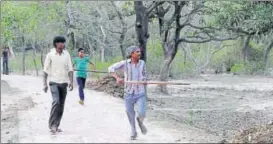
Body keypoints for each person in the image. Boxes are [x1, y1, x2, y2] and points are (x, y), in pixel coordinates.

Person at [108, 45, 148, 140]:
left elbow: (145, 74)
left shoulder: (142, 63)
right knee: (130, 114)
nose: (139, 53)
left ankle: (140, 121)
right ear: (131, 54)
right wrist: (117, 78)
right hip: (128, 93)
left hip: (140, 93)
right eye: (137, 52)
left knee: (142, 113)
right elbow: (110, 68)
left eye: (139, 51)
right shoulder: (125, 63)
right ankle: (133, 131)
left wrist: (145, 80)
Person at [43, 36, 74, 135]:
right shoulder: (50, 55)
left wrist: (71, 82)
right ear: (56, 43)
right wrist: (44, 84)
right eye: (60, 42)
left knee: (61, 105)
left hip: (64, 82)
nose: (62, 44)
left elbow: (70, 69)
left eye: (63, 42)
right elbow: (45, 70)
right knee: (56, 102)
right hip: (53, 82)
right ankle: (52, 125)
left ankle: (56, 125)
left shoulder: (67, 55)